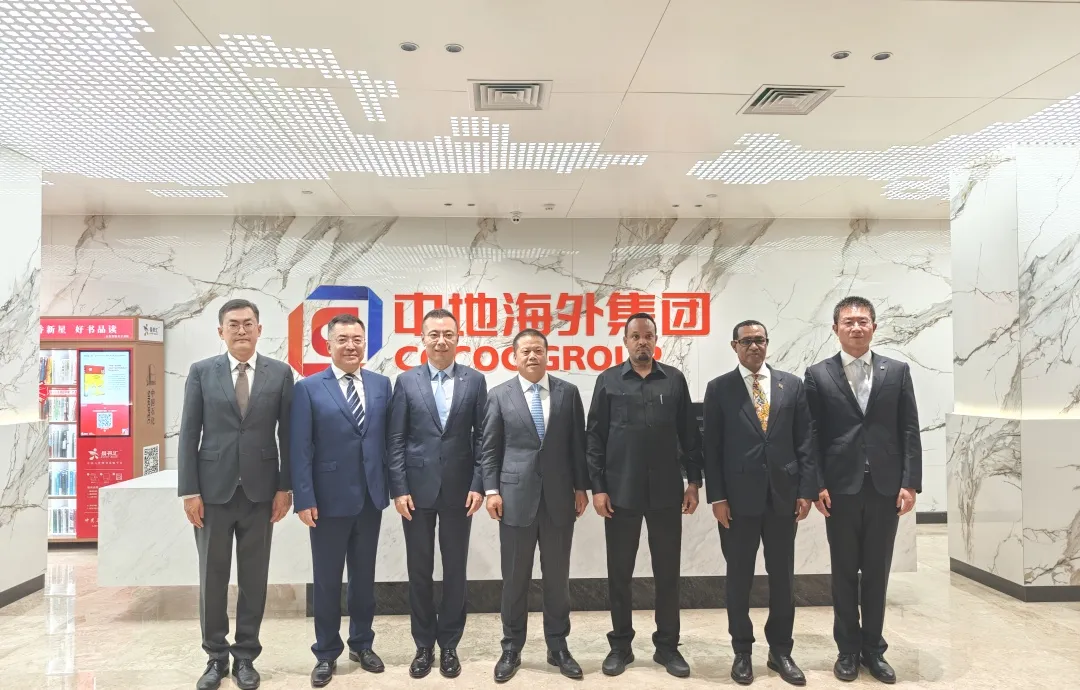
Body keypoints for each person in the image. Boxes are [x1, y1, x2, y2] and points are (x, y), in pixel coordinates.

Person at [804, 296, 921, 684]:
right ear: (835, 328)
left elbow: (909, 429)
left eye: (863, 321)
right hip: (839, 489)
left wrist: (910, 482)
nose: (856, 327)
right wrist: (817, 484)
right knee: (843, 572)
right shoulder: (817, 374)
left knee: (876, 571)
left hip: (885, 488)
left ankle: (874, 649)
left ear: (874, 326)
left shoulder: (897, 371)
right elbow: (812, 435)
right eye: (848, 321)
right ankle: (847, 650)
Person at [178, 298, 294, 690]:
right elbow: (189, 433)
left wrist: (285, 487)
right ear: (221, 331)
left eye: (248, 323)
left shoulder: (280, 373)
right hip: (212, 493)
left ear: (260, 329)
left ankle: (245, 656)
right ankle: (215, 656)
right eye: (233, 324)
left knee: (254, 579)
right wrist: (189, 490)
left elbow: (288, 435)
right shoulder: (201, 372)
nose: (241, 330)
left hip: (261, 494)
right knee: (212, 578)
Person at [586, 312, 702, 679]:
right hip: (620, 493)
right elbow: (594, 439)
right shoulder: (608, 381)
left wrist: (694, 482)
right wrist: (598, 488)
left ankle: (667, 646)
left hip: (667, 492)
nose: (642, 342)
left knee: (667, 572)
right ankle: (620, 645)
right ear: (625, 341)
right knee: (619, 572)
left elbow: (689, 435)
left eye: (648, 336)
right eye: (635, 336)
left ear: (656, 340)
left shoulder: (674, 380)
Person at [703, 320, 817, 687]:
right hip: (737, 501)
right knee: (739, 578)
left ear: (767, 344)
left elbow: (805, 441)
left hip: (783, 498)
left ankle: (781, 650)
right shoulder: (719, 388)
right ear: (734, 346)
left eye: (760, 340)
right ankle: (742, 651)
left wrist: (806, 490)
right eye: (747, 341)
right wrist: (717, 497)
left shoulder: (791, 385)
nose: (754, 346)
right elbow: (711, 448)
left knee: (783, 577)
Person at [480, 328, 589, 683]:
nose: (532, 356)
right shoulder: (499, 395)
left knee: (557, 579)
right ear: (514, 356)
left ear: (547, 353)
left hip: (559, 499)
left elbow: (577, 445)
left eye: (538, 350)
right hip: (514, 499)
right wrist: (492, 491)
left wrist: (581, 487)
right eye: (525, 351)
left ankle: (558, 646)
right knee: (515, 579)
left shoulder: (568, 393)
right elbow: (489, 449)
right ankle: (511, 647)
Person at [290, 313, 392, 688]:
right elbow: (300, 447)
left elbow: (387, 440)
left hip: (370, 497)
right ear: (328, 345)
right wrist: (304, 497)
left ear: (365, 344)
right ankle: (326, 652)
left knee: (364, 579)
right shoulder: (308, 388)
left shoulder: (381, 384)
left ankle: (362, 645)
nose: (351, 346)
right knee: (327, 580)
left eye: (357, 340)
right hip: (327, 500)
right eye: (343, 340)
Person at [387, 308, 488, 679]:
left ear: (458, 338)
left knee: (456, 569)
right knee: (419, 569)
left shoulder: (475, 381)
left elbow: (483, 438)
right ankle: (423, 645)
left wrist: (478, 484)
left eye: (448, 334)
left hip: (461, 491)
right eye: (434, 334)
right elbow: (396, 439)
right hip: (416, 492)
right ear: (423, 338)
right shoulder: (406, 381)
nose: (441, 341)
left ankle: (449, 645)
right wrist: (399, 488)